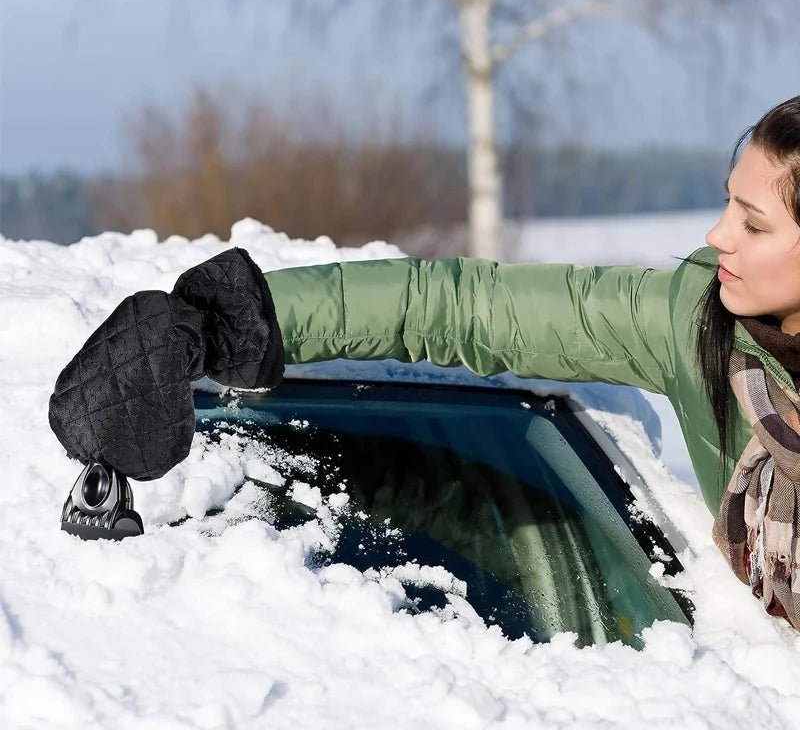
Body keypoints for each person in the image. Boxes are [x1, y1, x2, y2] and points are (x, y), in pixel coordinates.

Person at [49, 95, 800, 628]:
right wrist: (223, 324)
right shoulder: (702, 322)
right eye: (726, 205)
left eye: (754, 224)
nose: (717, 235)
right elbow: (459, 307)